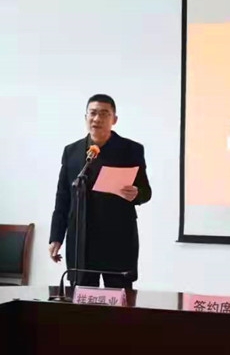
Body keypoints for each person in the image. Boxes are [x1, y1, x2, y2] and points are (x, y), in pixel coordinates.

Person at [48, 94, 152, 289]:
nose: (97, 119)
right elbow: (63, 197)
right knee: (83, 300)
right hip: (82, 240)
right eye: (93, 113)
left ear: (114, 119)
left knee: (120, 300)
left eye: (104, 114)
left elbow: (146, 191)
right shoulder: (72, 151)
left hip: (118, 238)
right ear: (85, 117)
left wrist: (136, 193)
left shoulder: (131, 150)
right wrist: (56, 237)